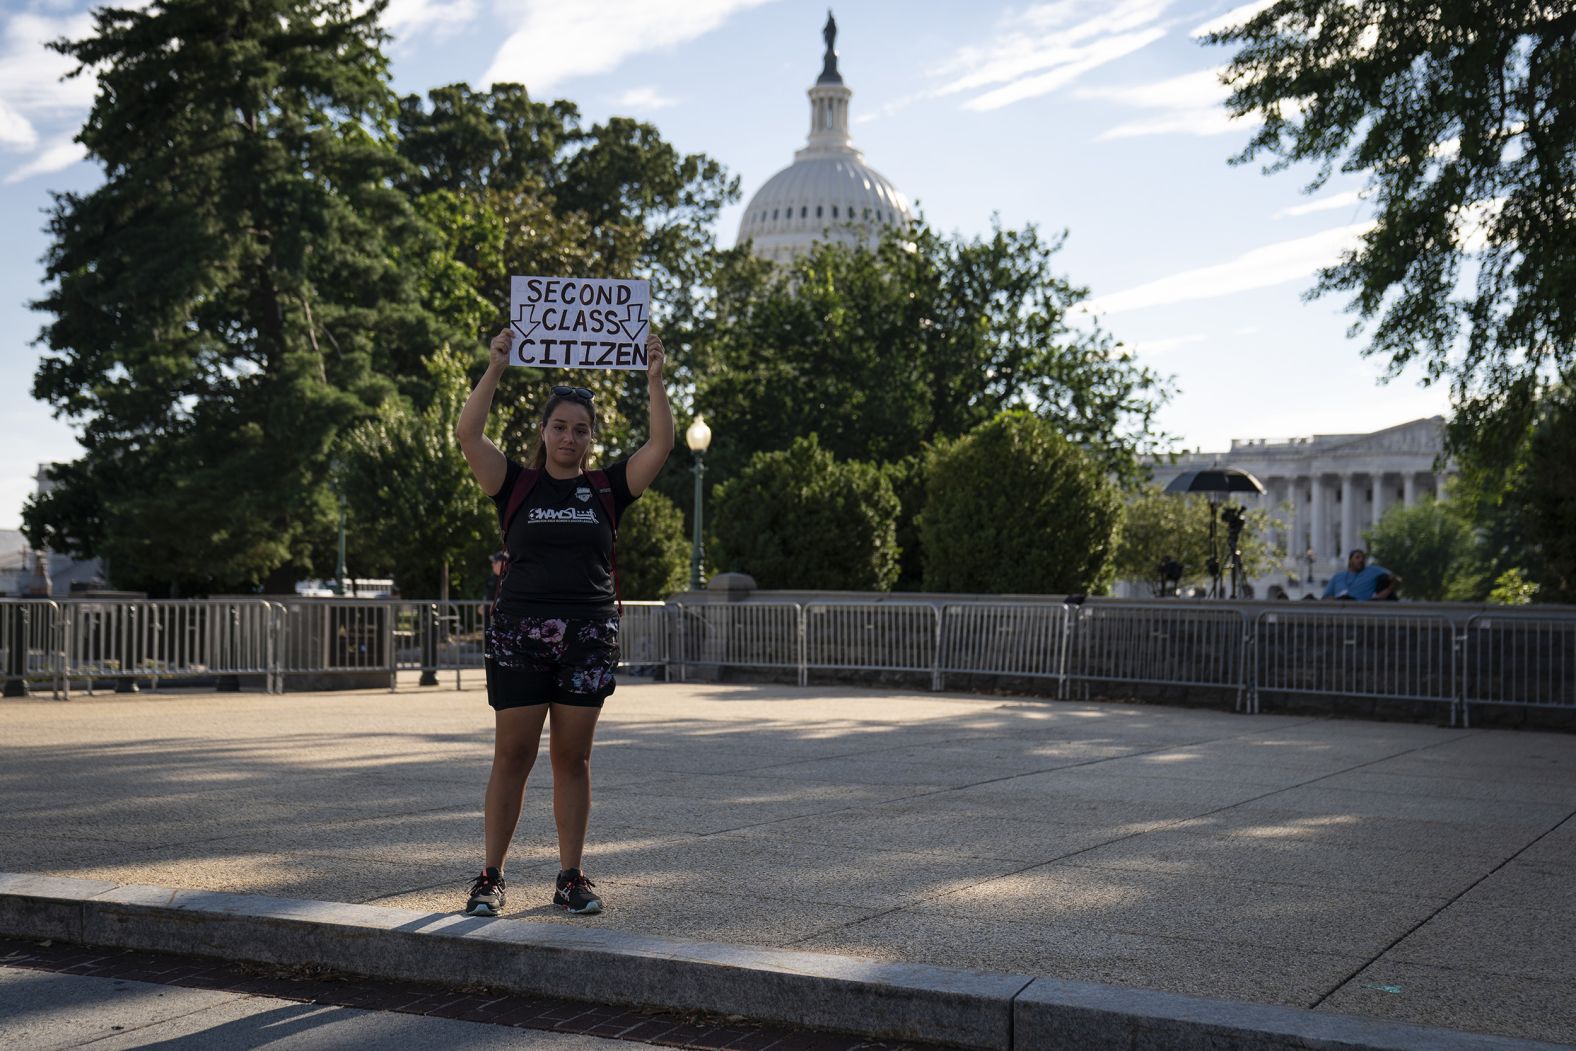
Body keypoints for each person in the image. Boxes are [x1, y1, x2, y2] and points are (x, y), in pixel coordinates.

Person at [454, 323, 672, 917]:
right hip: (520, 635)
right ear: (543, 432)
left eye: (579, 430)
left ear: (591, 438)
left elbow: (660, 444)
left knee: (572, 759)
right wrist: (496, 365)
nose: (568, 438)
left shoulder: (607, 489)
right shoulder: (514, 485)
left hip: (587, 638)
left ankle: (570, 876)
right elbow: (468, 433)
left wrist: (655, 379)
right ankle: (491, 876)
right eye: (559, 427)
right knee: (513, 755)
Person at [1321, 549, 1400, 601]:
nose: (1361, 560)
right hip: (1339, 607)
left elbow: (1397, 578)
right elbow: (1326, 596)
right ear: (1350, 560)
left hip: (1359, 607)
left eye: (1363, 558)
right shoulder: (1338, 576)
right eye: (1357, 557)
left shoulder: (1373, 570)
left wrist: (1388, 590)